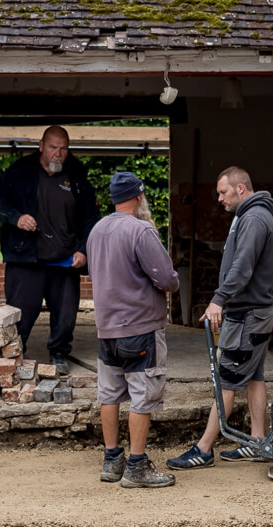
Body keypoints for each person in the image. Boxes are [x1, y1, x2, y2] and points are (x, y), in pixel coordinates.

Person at [167, 166, 273, 470]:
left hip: (248, 314)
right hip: (254, 310)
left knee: (225, 379)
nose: (219, 198)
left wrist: (218, 300)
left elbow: (242, 267)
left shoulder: (254, 218)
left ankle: (203, 449)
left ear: (240, 189)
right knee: (254, 375)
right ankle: (257, 442)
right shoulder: (249, 216)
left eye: (223, 192)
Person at [87, 172, 179, 488]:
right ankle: (137, 466)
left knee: (109, 394)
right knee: (144, 394)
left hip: (106, 328)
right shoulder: (141, 231)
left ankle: (112, 460)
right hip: (140, 327)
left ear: (114, 198)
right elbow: (166, 277)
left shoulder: (97, 230)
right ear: (138, 196)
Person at [0, 125, 99, 376]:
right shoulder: (20, 171)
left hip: (65, 259)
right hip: (26, 257)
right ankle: (16, 351)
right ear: (41, 146)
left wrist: (83, 250)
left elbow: (91, 217)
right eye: (52, 147)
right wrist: (16, 218)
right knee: (21, 312)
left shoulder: (77, 174)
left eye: (63, 149)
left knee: (66, 315)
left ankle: (59, 353)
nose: (57, 154)